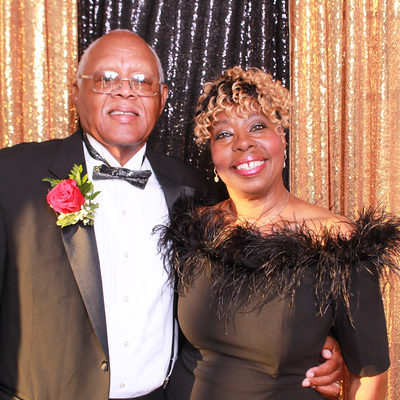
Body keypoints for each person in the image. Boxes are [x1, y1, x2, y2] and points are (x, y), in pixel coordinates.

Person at [0, 31, 342, 400]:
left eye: (142, 81)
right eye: (107, 79)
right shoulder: (12, 176)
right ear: (76, 92)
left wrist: (313, 343)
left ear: (162, 98)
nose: (125, 91)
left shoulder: (192, 192)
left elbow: (238, 300)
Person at [158, 66, 399, 400]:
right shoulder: (195, 228)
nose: (243, 143)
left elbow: (370, 377)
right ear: (212, 155)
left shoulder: (336, 239)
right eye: (224, 134)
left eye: (258, 126)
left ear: (282, 138)